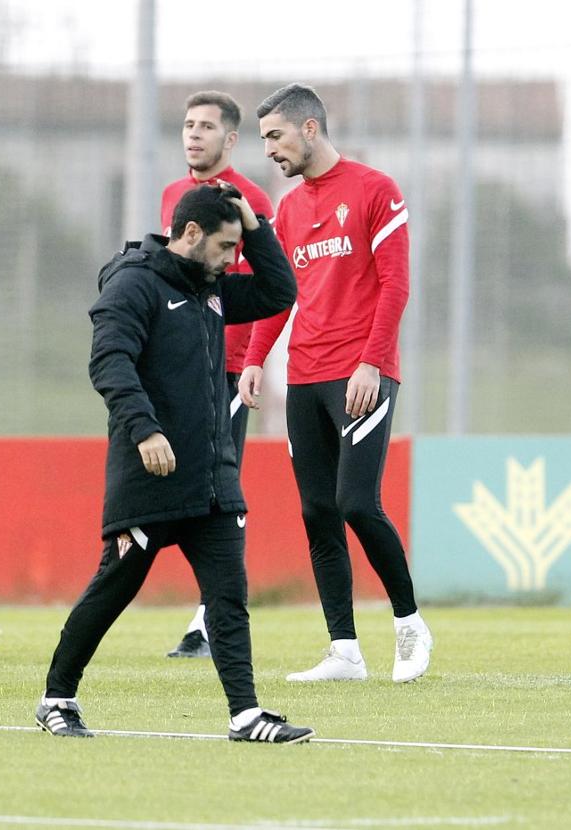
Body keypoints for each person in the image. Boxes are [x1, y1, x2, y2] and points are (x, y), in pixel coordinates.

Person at [36, 183, 312, 743]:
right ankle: (56, 699)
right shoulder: (133, 284)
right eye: (226, 246)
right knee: (113, 591)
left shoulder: (212, 288)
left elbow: (281, 290)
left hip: (212, 479)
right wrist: (145, 430)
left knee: (228, 598)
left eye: (239, 248)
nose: (233, 260)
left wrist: (255, 229)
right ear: (191, 235)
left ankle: (246, 715)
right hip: (150, 476)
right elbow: (109, 362)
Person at [240, 83, 433, 683]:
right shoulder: (291, 209)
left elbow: (396, 285)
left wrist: (372, 362)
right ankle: (344, 650)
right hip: (305, 375)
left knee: (356, 502)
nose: (269, 148)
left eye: (275, 135)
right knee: (318, 510)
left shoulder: (376, 189)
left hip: (362, 371)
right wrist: (253, 358)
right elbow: (279, 297)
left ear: (310, 129)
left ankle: (409, 625)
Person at [158, 90, 276, 659]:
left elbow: (268, 288)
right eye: (188, 125)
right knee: (176, 487)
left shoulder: (248, 200)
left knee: (220, 489)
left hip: (225, 368)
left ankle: (210, 619)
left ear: (230, 139)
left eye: (206, 126)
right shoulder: (172, 196)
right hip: (181, 369)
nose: (194, 134)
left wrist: (252, 360)